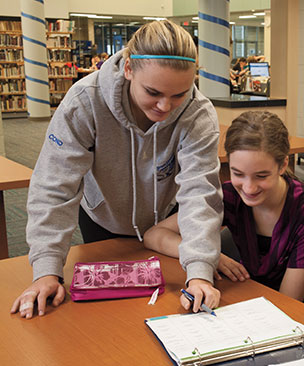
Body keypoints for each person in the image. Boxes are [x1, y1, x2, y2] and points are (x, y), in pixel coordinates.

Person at [11, 20, 223, 319]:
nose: (165, 106)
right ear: (128, 69)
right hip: (102, 216)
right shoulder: (84, 101)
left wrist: (200, 270)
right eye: (153, 92)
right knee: (108, 320)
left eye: (179, 95)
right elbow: (54, 187)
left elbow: (200, 192)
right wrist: (46, 271)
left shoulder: (197, 112)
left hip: (164, 222)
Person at [144, 111, 304, 301]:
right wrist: (207, 255)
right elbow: (154, 235)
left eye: (261, 176)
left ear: (282, 165)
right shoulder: (228, 195)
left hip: (290, 309)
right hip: (247, 293)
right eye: (238, 174)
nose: (249, 188)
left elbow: (289, 300)